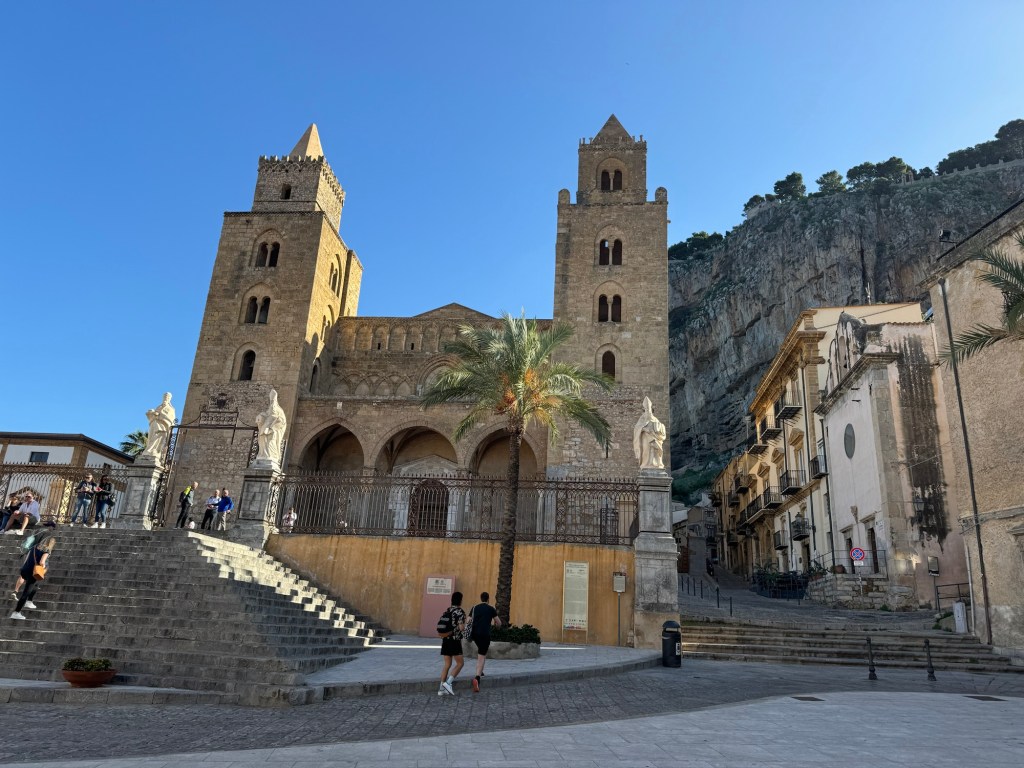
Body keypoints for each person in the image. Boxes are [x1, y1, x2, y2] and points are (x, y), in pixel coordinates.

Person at [11, 522, 56, 620]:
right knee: (26, 593)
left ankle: (29, 601)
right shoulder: (47, 551)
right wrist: (44, 566)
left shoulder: (34, 547)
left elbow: (27, 559)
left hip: (25, 570)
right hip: (32, 572)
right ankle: (16, 612)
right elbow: (42, 562)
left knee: (36, 584)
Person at [467, 591, 501, 692]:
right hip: (485, 635)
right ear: (488, 599)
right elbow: (499, 622)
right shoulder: (491, 608)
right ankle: (477, 678)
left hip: (475, 635)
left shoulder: (474, 607)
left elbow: (468, 620)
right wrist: (497, 627)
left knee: (482, 652)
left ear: (481, 598)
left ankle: (481, 671)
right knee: (481, 656)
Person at [438, 591, 466, 696]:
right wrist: (465, 626)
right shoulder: (459, 612)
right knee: (460, 663)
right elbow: (461, 628)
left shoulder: (448, 610)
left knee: (447, 665)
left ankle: (441, 689)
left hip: (445, 640)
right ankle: (448, 683)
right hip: (455, 641)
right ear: (460, 601)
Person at [632, 396, 667, 470]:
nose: (648, 411)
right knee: (646, 451)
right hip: (645, 439)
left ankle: (656, 464)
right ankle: (646, 464)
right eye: (646, 409)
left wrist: (658, 428)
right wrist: (644, 429)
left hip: (655, 439)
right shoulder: (642, 419)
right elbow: (637, 428)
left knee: (655, 452)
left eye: (649, 409)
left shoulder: (655, 419)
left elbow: (661, 428)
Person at [139, 392, 175, 462]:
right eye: (165, 396)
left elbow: (170, 419)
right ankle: (149, 451)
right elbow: (154, 416)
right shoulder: (159, 407)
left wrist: (159, 415)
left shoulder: (171, 409)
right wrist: (152, 413)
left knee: (160, 438)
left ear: (170, 399)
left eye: (167, 397)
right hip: (154, 425)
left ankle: (156, 452)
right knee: (152, 439)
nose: (166, 398)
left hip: (163, 427)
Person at [255, 389, 287, 466]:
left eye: (273, 400)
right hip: (264, 429)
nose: (272, 402)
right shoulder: (269, 409)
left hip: (272, 431)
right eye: (271, 400)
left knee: (270, 443)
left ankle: (269, 456)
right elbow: (266, 415)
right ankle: (262, 455)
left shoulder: (279, 410)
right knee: (262, 442)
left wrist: (271, 429)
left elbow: (281, 421)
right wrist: (260, 416)